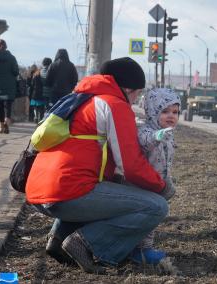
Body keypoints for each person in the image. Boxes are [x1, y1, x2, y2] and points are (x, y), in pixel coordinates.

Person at [25, 57, 174, 274]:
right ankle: (90, 245)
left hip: (41, 190)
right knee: (156, 206)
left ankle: (58, 239)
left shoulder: (80, 98)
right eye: (137, 94)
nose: (135, 100)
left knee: (107, 191)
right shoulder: (115, 104)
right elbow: (131, 164)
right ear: (126, 88)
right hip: (67, 193)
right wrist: (161, 186)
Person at [135, 88, 180, 262]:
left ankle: (145, 248)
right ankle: (142, 250)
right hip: (146, 184)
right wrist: (158, 136)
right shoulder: (147, 131)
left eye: (175, 112)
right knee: (150, 216)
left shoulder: (168, 134)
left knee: (155, 218)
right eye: (165, 111)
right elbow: (146, 142)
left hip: (159, 182)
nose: (171, 116)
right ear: (153, 112)